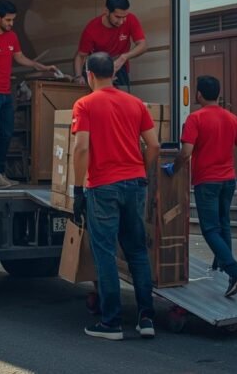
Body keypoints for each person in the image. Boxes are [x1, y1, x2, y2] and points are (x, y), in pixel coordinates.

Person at [72, 52, 160, 341]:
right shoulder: (136, 103)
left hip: (103, 187)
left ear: (89, 75)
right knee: (136, 251)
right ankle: (146, 318)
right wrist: (141, 172)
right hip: (135, 184)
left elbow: (81, 148)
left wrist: (77, 189)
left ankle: (111, 323)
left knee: (106, 253)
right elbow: (154, 145)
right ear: (114, 73)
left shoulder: (84, 104)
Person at [164, 75, 237, 297]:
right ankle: (221, 267)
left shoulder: (195, 119)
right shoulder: (233, 119)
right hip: (228, 180)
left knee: (210, 229)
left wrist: (173, 169)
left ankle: (234, 270)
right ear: (218, 94)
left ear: (199, 94)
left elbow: (186, 152)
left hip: (207, 182)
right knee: (224, 224)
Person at [0, 0, 59, 188]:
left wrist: (41, 66)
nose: (11, 24)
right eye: (8, 20)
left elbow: (19, 57)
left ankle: (1, 172)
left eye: (13, 20)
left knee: (6, 133)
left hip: (6, 93)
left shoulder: (12, 37)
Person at [73, 0, 148, 90]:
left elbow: (143, 45)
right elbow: (81, 56)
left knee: (123, 100)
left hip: (120, 68)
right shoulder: (92, 29)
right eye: (117, 17)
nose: (121, 21)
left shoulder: (131, 19)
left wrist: (123, 57)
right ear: (107, 11)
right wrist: (78, 77)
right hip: (99, 69)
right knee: (100, 100)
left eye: (124, 16)